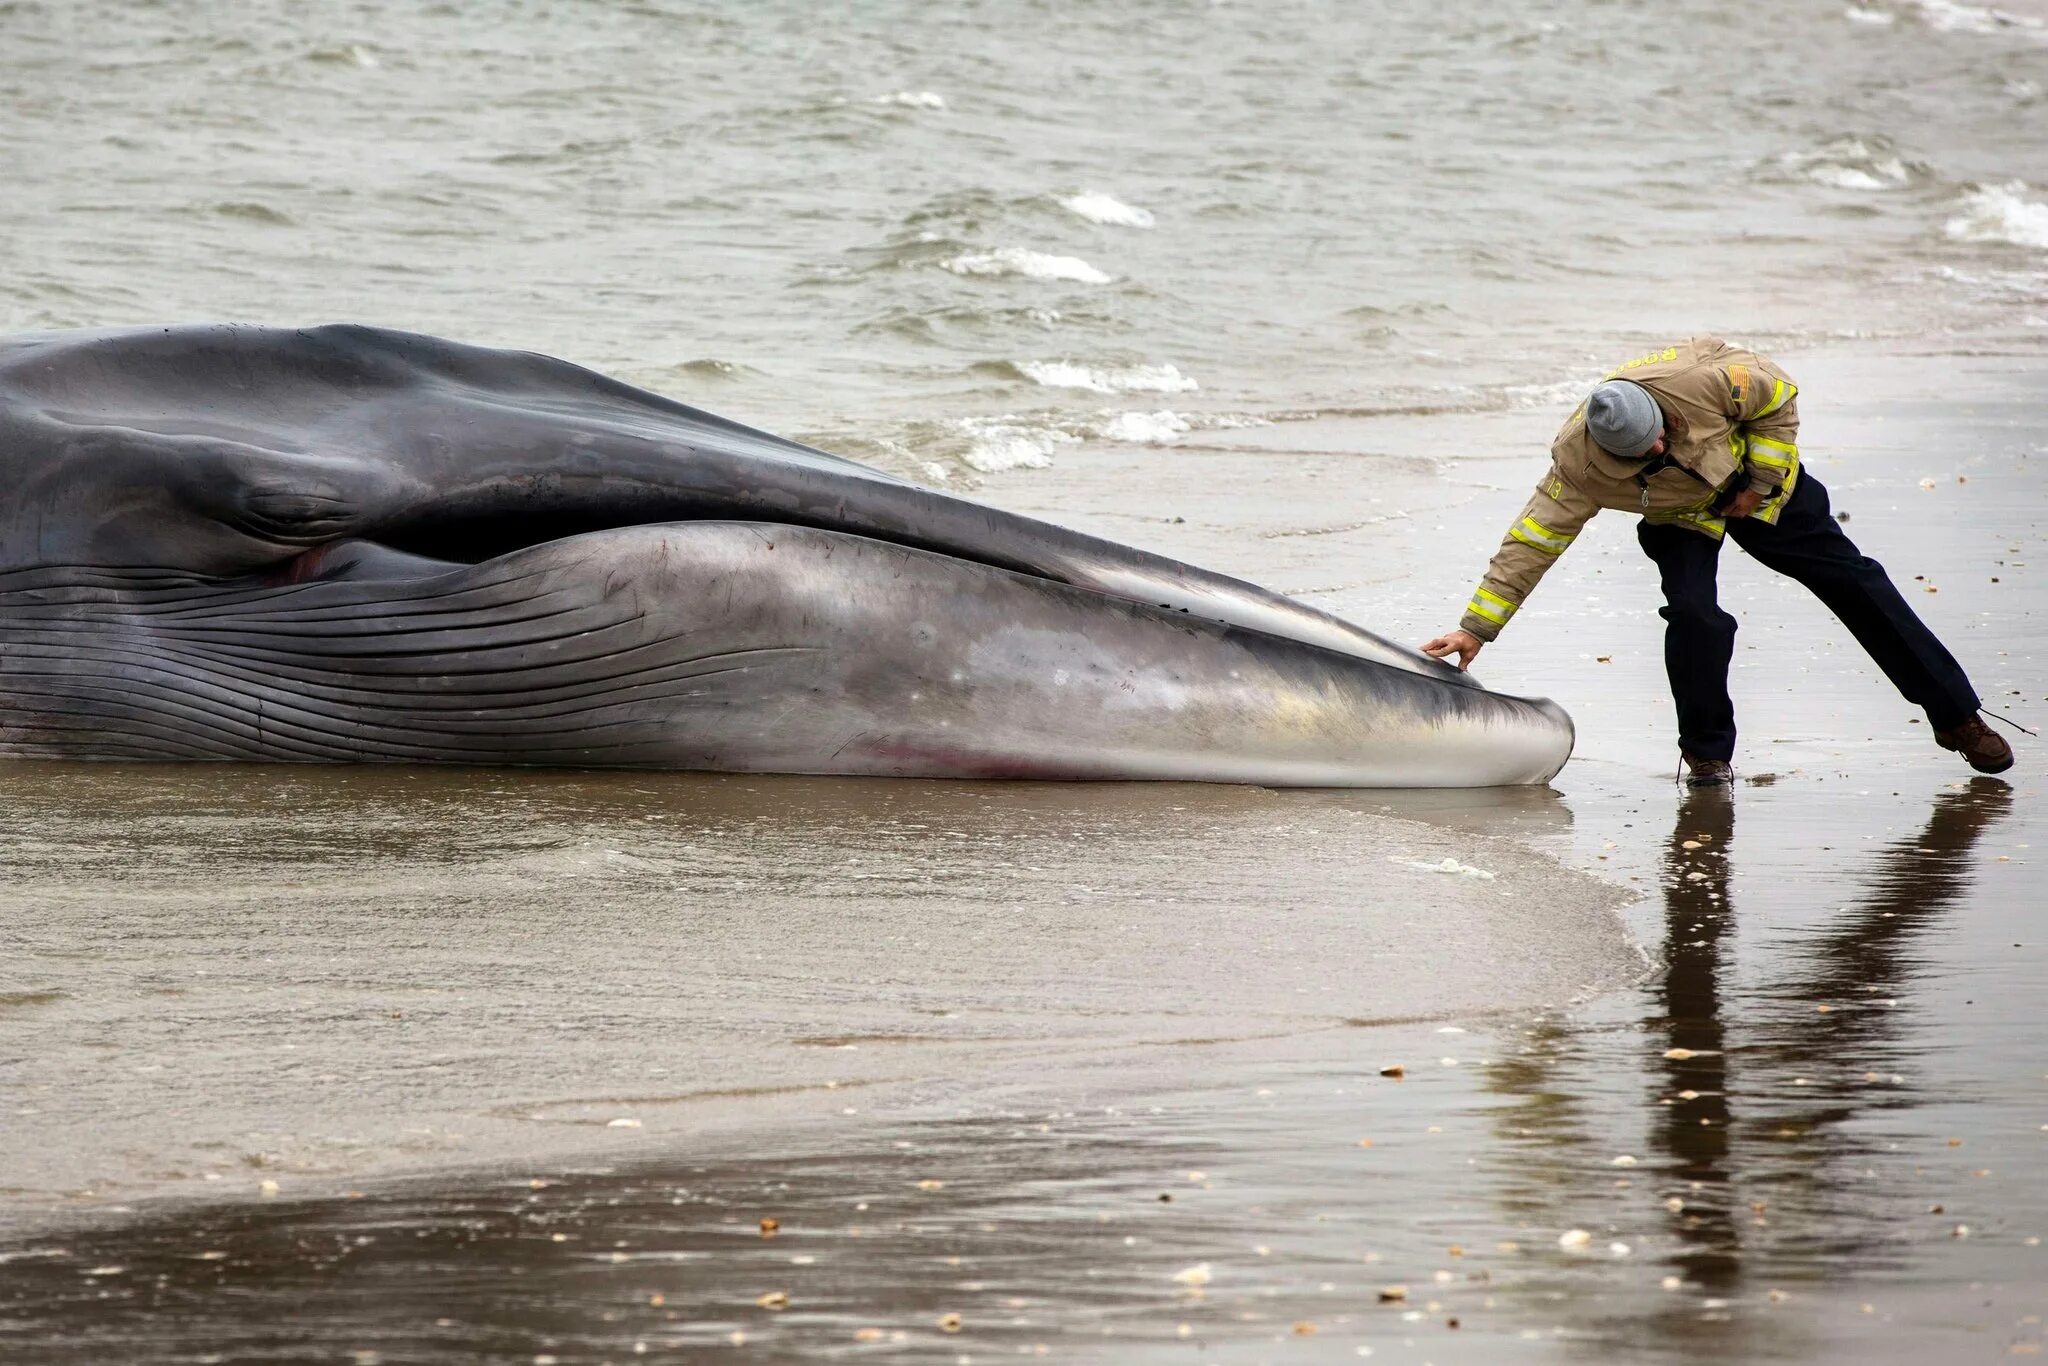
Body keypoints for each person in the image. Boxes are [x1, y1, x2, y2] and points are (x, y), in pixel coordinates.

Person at [1419, 336, 2013, 784]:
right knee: (1695, 617)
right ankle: (1707, 757)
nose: (1655, 451)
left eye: (1660, 439)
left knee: (1856, 583)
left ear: (1660, 413)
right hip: (1680, 517)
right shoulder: (1578, 466)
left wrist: (1760, 480)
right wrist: (1477, 629)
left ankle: (1958, 716)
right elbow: (1533, 541)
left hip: (1759, 490)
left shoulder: (1705, 380)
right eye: (1639, 456)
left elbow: (1777, 401)